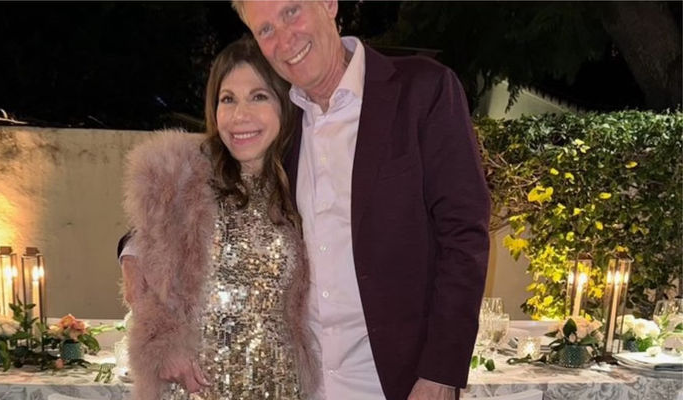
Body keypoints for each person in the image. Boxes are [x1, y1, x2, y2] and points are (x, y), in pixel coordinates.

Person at [233, 1, 491, 399]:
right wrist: (136, 246)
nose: (285, 39)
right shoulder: (279, 123)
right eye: (265, 30)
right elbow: (208, 188)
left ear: (329, 4)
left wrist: (441, 371)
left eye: (291, 12)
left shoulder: (422, 90)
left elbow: (464, 235)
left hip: (397, 385)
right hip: (306, 384)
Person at [123, 36, 318, 400]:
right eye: (228, 99)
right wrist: (161, 343)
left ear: (285, 103)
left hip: (280, 385)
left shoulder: (304, 187)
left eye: (259, 96)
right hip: (196, 389)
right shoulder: (183, 178)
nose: (240, 115)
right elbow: (141, 254)